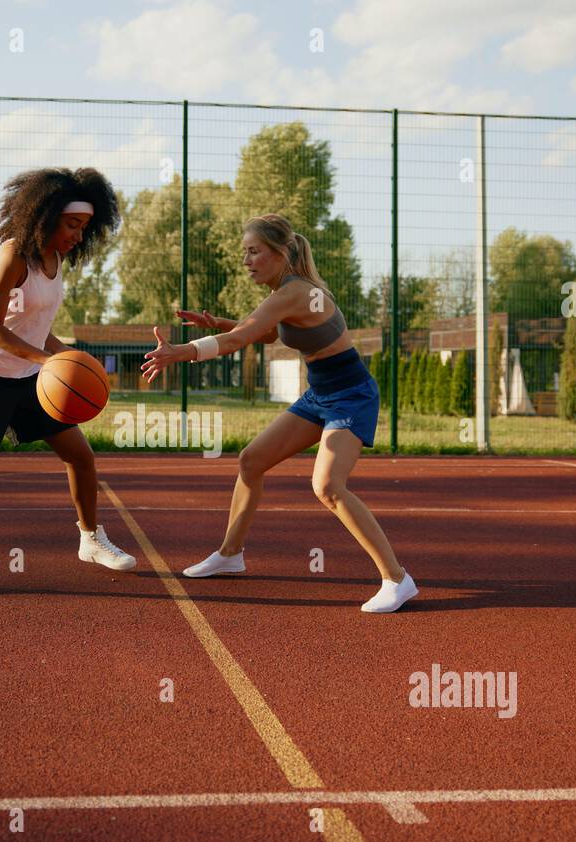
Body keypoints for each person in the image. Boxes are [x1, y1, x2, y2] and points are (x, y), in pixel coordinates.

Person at [140, 214, 417, 613]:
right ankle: (231, 553)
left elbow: (240, 340)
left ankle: (397, 578)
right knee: (251, 460)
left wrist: (179, 352)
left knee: (327, 486)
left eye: (254, 251)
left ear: (280, 252)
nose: (246, 260)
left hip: (351, 396)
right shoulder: (284, 293)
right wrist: (215, 322)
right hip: (320, 394)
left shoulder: (295, 291)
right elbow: (267, 333)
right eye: (244, 252)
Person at [0, 167, 136, 599]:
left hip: (26, 372)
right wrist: (50, 363)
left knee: (81, 457)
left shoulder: (57, 259)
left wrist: (69, 357)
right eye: (72, 224)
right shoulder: (13, 254)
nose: (77, 234)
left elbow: (37, 328)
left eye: (84, 227)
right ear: (46, 215)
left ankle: (90, 539)